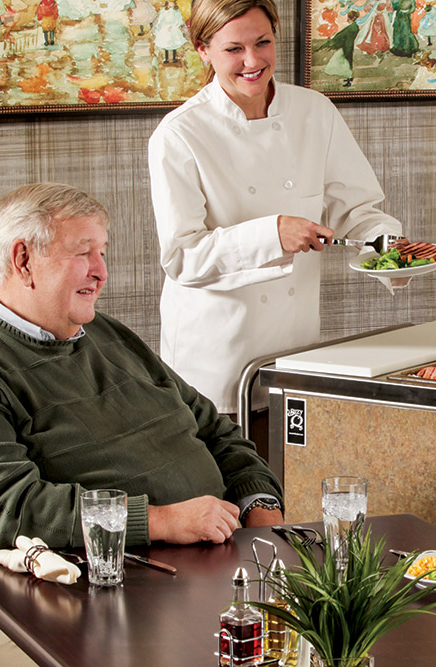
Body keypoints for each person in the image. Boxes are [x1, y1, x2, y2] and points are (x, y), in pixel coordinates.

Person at [0, 183, 285, 592]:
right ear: (23, 260)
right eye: (84, 253)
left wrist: (259, 508)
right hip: (62, 595)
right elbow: (5, 514)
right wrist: (163, 521)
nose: (101, 271)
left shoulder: (106, 335)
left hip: (209, 569)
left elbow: (214, 431)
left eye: (103, 252)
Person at [147, 0, 403, 434]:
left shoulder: (313, 111)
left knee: (290, 491)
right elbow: (182, 256)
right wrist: (272, 234)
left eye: (263, 42)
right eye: (234, 49)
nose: (253, 61)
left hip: (295, 353)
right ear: (202, 50)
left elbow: (357, 209)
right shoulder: (179, 134)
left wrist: (392, 249)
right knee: (225, 498)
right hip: (215, 365)